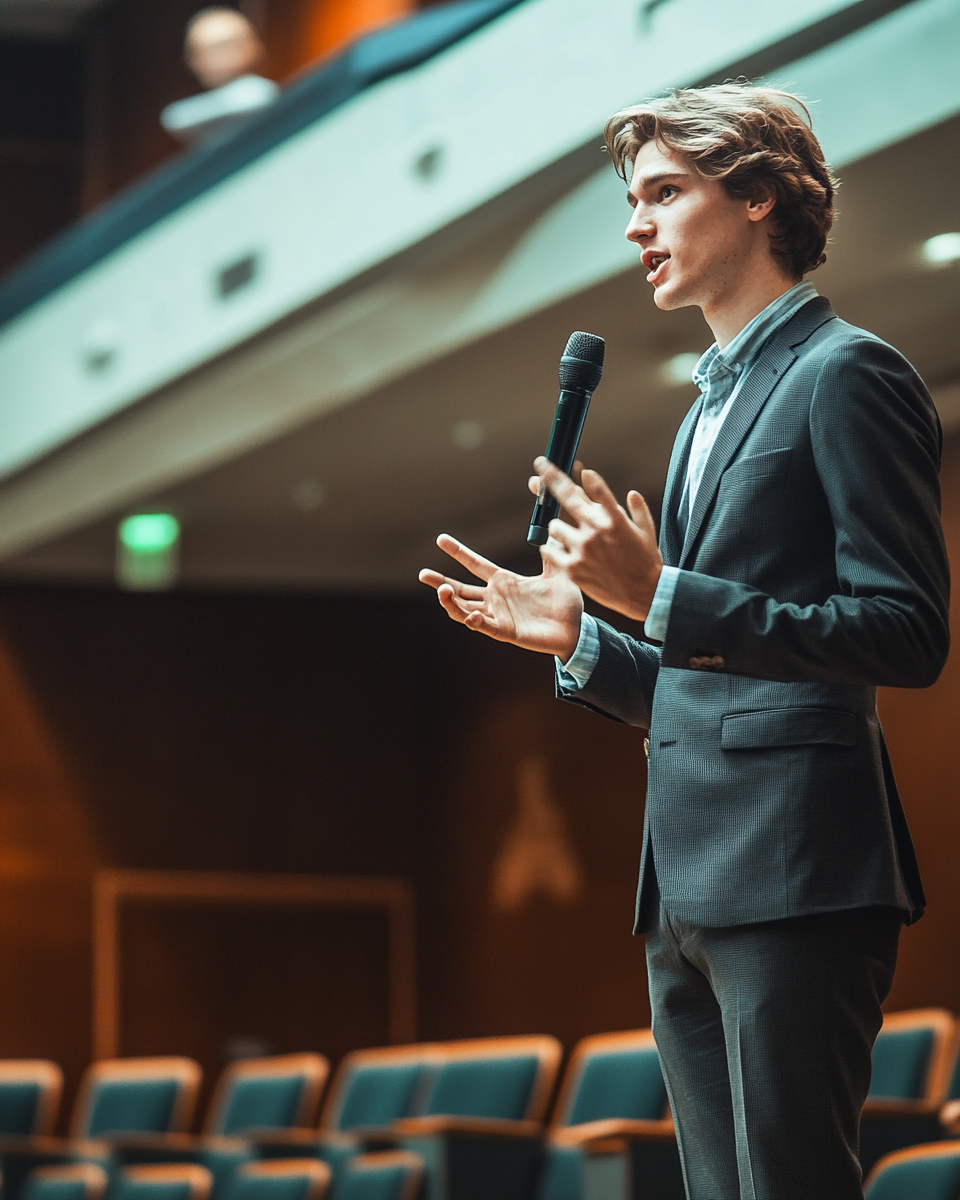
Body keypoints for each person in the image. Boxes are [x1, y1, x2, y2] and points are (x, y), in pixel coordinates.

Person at [419, 83, 950, 1199]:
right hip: (687, 881)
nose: (636, 225)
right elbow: (707, 682)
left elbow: (906, 633)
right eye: (633, 199)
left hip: (800, 870)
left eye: (665, 193)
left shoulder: (845, 373)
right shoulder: (704, 406)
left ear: (758, 196)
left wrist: (662, 595)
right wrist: (580, 639)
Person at [160, 7, 280, 149]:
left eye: (222, 46)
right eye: (199, 51)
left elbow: (258, 96)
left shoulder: (260, 92)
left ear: (253, 47)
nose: (211, 58)